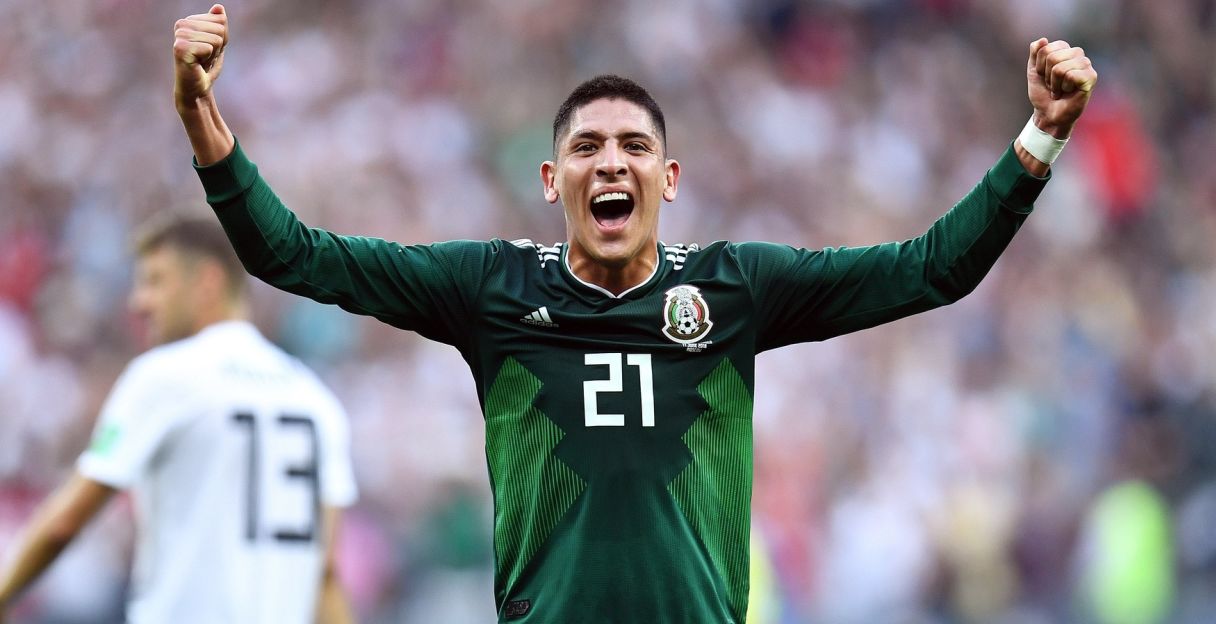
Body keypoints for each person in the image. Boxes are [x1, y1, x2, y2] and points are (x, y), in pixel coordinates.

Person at [171, 4, 1097, 622]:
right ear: (550, 181)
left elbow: (933, 270)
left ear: (669, 177)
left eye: (633, 146)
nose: (610, 162)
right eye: (586, 147)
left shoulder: (736, 286)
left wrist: (1040, 135)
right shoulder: (492, 288)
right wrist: (201, 114)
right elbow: (291, 253)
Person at [0, 215, 359, 624]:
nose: (139, 301)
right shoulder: (315, 400)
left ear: (207, 281)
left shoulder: (166, 376)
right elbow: (325, 577)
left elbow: (64, 522)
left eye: (155, 280)